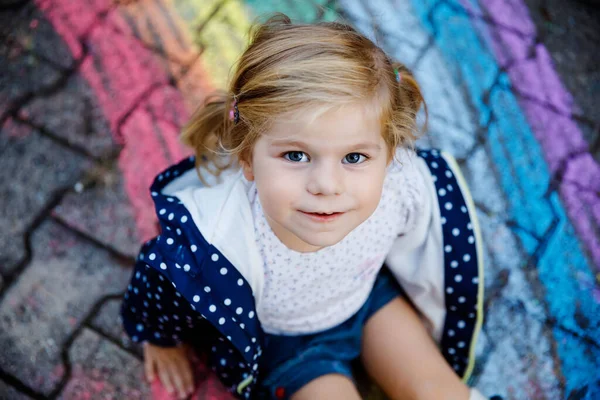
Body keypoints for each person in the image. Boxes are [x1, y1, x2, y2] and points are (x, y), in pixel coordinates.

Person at [120, 13, 488, 400]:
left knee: (440, 392)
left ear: (390, 155)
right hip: (289, 345)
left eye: (354, 158)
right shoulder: (217, 239)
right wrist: (159, 338)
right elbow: (159, 282)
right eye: (296, 155)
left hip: (368, 300)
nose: (327, 185)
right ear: (247, 158)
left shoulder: (402, 189)